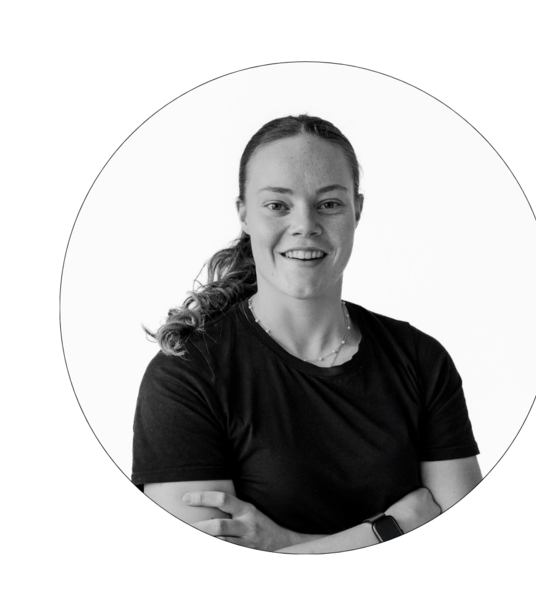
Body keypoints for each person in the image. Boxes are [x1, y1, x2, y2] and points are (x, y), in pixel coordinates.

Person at [132, 114, 482, 553]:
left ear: (357, 210)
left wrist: (286, 543)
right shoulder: (187, 376)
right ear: (243, 213)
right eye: (277, 205)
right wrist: (393, 526)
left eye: (329, 204)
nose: (305, 225)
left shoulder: (420, 360)